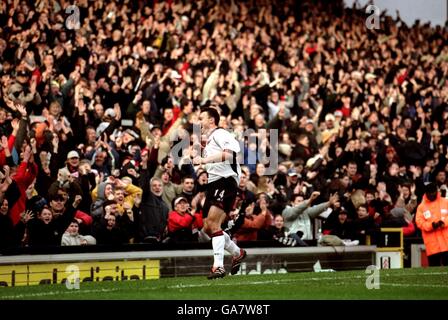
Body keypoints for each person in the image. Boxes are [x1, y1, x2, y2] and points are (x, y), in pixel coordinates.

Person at [193, 107, 246, 279]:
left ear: (211, 120)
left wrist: (203, 159)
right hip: (214, 183)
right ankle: (237, 253)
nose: (198, 121)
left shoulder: (221, 133)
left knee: (214, 224)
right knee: (208, 226)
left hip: (226, 180)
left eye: (202, 118)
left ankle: (218, 267)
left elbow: (229, 155)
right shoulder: (209, 140)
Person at [415, 182, 448, 266]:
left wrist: (443, 223)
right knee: (434, 270)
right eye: (430, 194)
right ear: (426, 193)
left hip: (446, 243)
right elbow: (419, 222)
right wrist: (432, 226)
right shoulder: (421, 207)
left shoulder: (445, 202)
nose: (432, 195)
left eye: (434, 193)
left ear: (437, 192)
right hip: (432, 245)